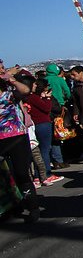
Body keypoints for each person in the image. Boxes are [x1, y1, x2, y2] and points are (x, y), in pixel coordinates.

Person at [0, 60, 41, 222]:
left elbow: (25, 91)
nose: (2, 70)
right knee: (4, 176)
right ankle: (12, 206)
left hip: (16, 136)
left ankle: (33, 207)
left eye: (2, 67)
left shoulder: (10, 90)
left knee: (22, 173)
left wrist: (11, 78)